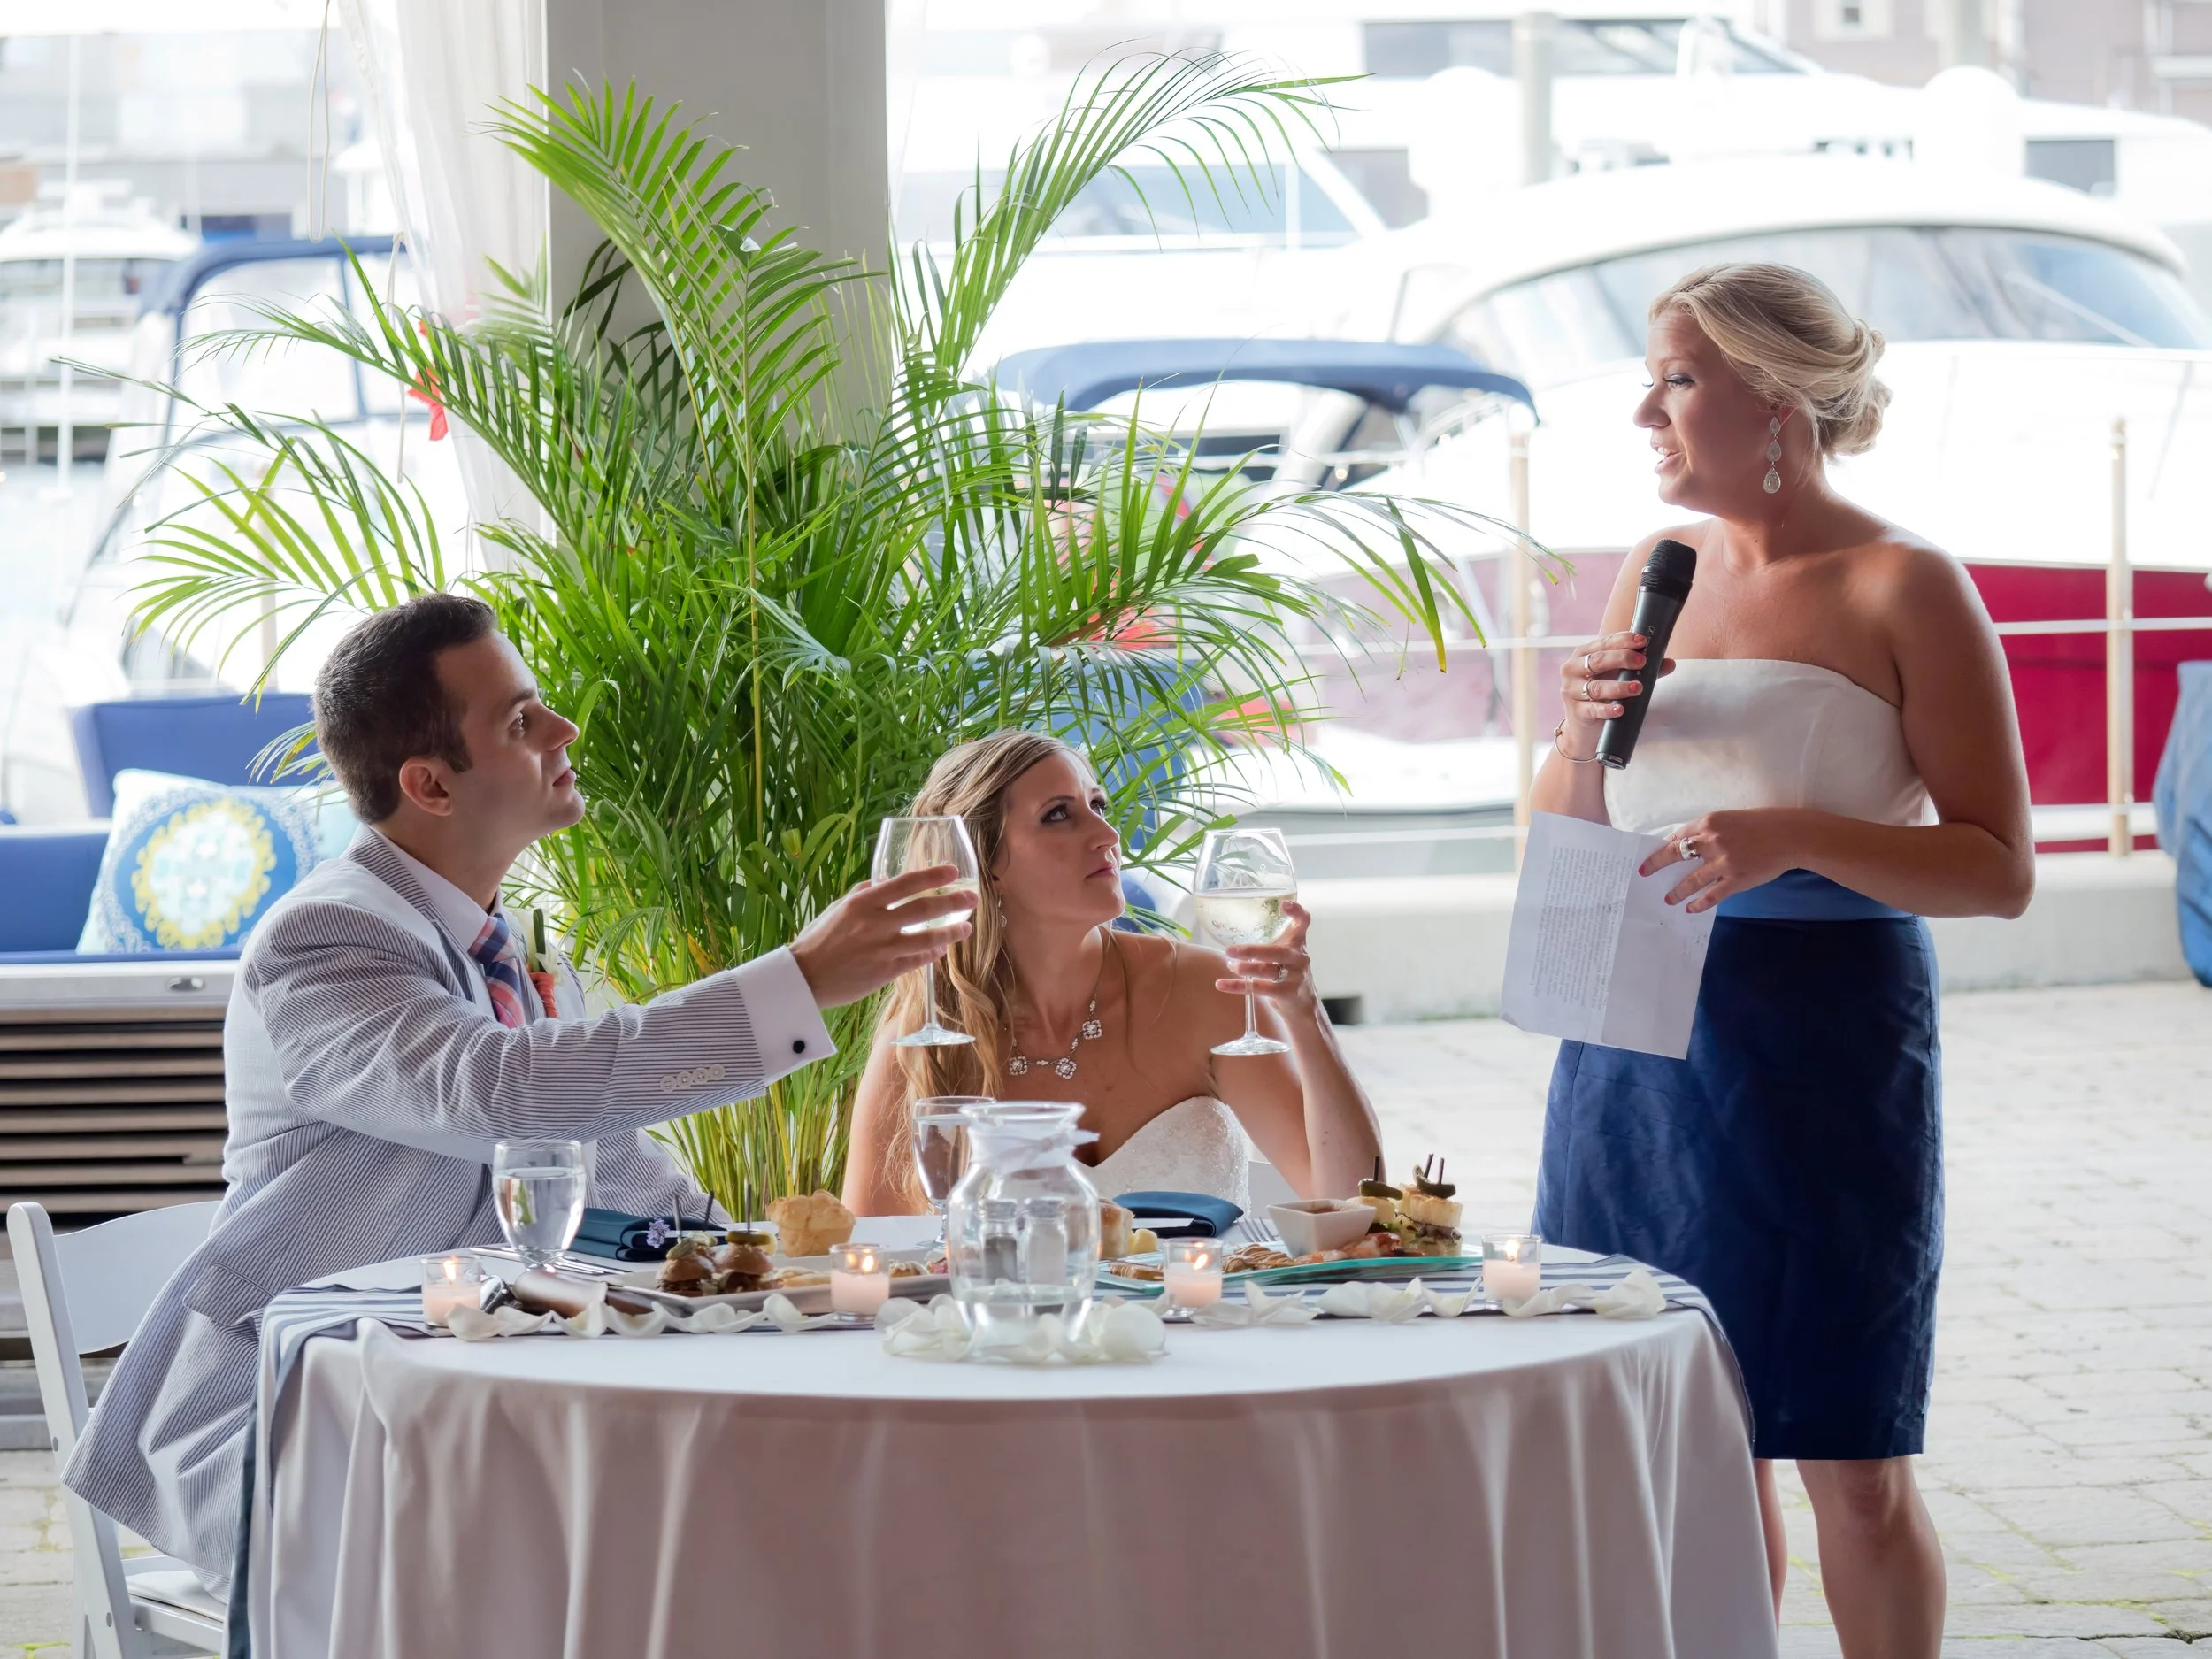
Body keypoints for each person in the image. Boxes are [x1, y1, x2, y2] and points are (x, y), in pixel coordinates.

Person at [65, 593, 975, 1587]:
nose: (564, 730)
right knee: (616, 1553)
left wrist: (770, 1271)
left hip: (464, 1395)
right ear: (430, 785)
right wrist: (797, 983)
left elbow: (607, 1160)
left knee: (759, 1512)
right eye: (518, 721)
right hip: (303, 1421)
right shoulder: (325, 939)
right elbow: (502, 1094)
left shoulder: (508, 942)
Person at [1530, 264, 2032, 1657]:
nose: (1646, 408)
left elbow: (1999, 867)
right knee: (1690, 1447)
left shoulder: (1904, 580)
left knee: (1849, 1450)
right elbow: (1563, 829)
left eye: (1678, 379)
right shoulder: (1654, 572)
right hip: (1634, 1038)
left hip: (1820, 1042)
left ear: (1776, 402)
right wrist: (1576, 738)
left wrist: (1792, 835)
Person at [842, 730, 1382, 1214]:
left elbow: (1355, 1201)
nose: (1107, 834)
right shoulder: (931, 1036)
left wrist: (1305, 1014)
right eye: (1059, 814)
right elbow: (875, 1251)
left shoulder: (1205, 990)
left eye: (1098, 804)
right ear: (984, 865)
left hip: (1202, 1320)